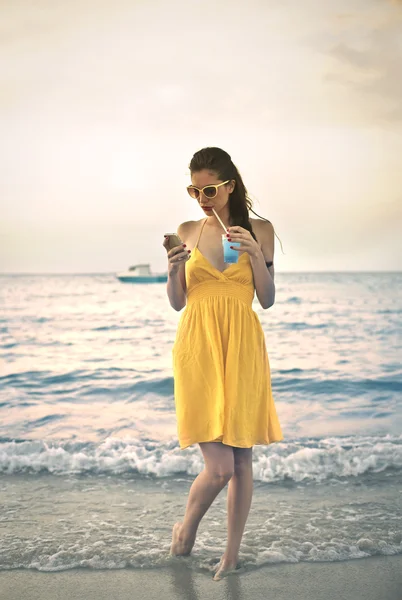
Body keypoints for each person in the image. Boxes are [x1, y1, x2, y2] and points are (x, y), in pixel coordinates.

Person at [162, 147, 284, 581]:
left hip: (243, 345)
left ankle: (231, 555)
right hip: (198, 344)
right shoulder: (188, 229)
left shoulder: (261, 230)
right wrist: (173, 270)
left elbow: (267, 299)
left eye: (209, 189)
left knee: (243, 461)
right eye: (194, 189)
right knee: (219, 467)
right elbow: (178, 302)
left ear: (230, 185)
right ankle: (187, 527)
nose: (201, 198)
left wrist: (254, 254)